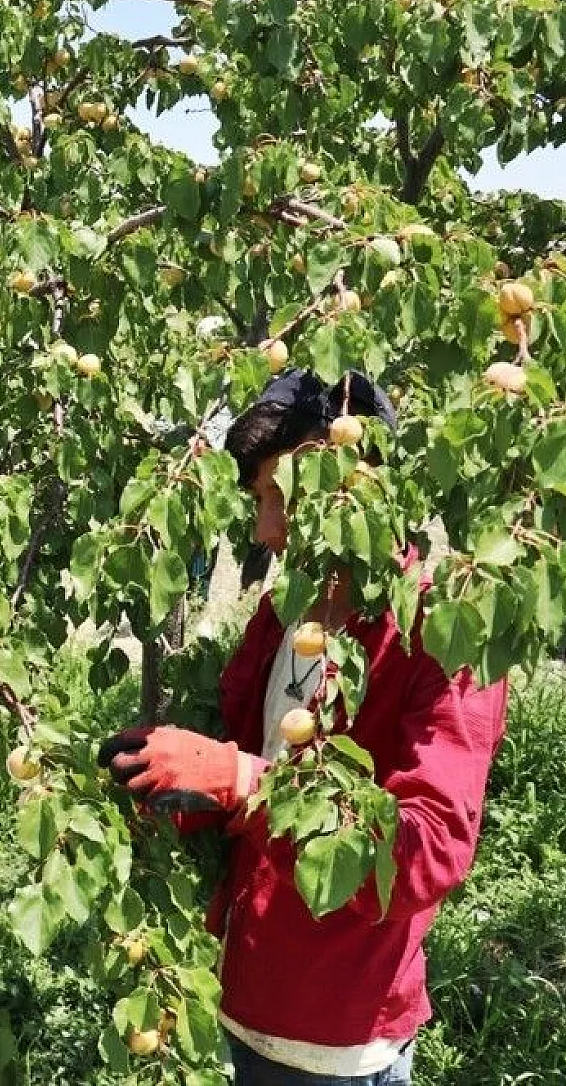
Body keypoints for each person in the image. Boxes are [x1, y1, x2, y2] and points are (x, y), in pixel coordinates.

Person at [100, 370, 509, 1086]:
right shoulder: (286, 611)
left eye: (280, 498)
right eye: (260, 499)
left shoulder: (444, 636)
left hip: (336, 1036)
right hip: (246, 995)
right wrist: (176, 786)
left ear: (355, 487)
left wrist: (238, 779)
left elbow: (426, 850)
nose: (264, 529)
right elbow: (250, 764)